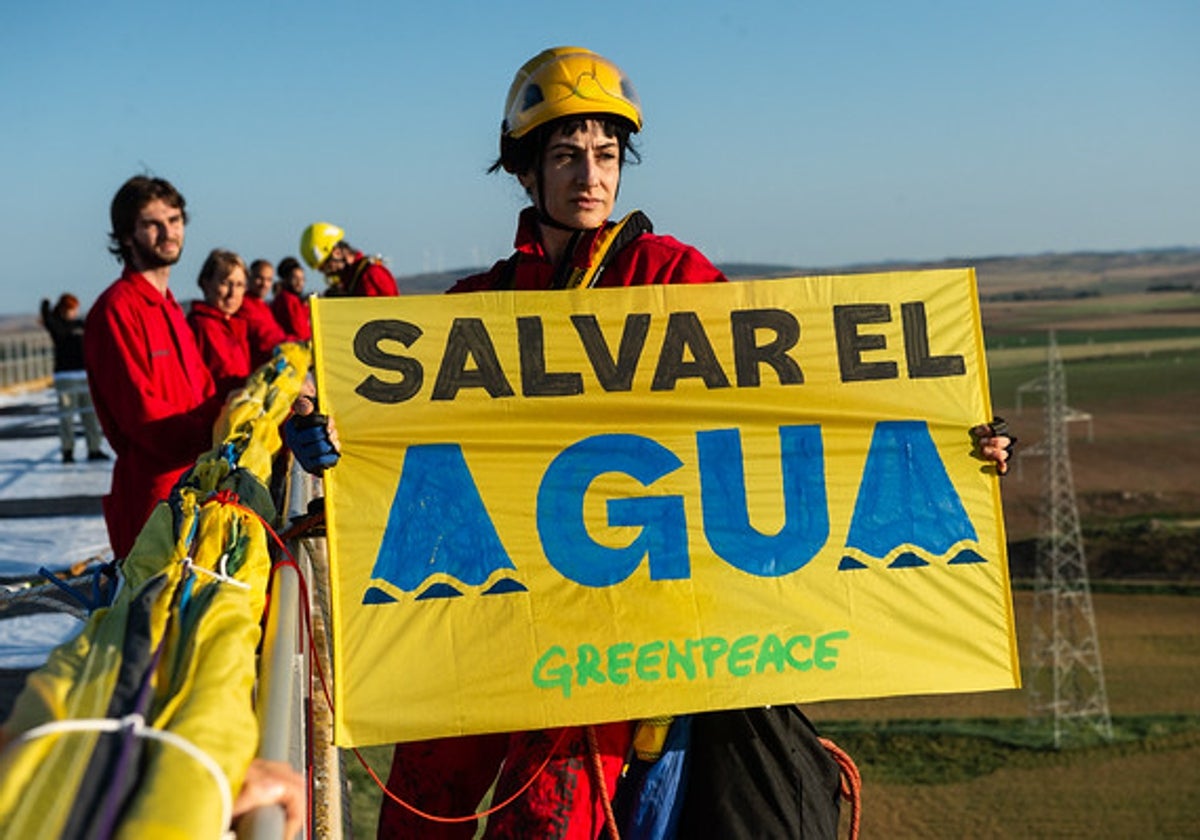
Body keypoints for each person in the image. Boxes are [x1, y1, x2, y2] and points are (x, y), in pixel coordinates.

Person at [288, 46, 1016, 840]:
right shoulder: (481, 304)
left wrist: (946, 437)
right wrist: (331, 435)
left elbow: (800, 389)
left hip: (618, 625)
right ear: (527, 171)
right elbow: (396, 424)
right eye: (566, 156)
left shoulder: (673, 276)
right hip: (486, 616)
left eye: (605, 156)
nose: (590, 178)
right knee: (417, 808)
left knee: (547, 822)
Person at [84, 175, 223, 561]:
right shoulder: (117, 310)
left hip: (195, 484)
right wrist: (216, 433)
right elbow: (143, 419)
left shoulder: (169, 307)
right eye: (153, 223)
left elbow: (204, 392)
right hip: (154, 504)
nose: (169, 232)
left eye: (175, 220)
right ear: (127, 236)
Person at [39, 294, 107, 463]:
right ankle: (67, 450)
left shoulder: (81, 325)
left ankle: (94, 448)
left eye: (75, 309)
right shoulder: (59, 326)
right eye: (70, 309)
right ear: (63, 310)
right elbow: (49, 322)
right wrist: (46, 307)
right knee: (67, 415)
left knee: (90, 415)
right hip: (66, 376)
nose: (73, 313)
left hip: (85, 374)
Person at [188, 249, 254, 400]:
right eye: (225, 283)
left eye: (239, 285)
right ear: (205, 284)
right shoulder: (201, 325)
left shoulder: (238, 326)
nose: (232, 293)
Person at [298, 221, 400, 297]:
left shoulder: (373, 274)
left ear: (337, 253)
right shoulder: (348, 282)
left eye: (325, 267)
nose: (325, 273)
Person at [236, 258, 290, 368]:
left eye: (269, 280)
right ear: (248, 279)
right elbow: (264, 337)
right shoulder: (244, 304)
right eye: (259, 278)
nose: (264, 284)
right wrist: (294, 343)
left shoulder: (263, 306)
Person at [271, 256, 312, 342]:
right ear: (286, 279)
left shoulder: (290, 300)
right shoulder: (288, 300)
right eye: (295, 278)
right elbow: (301, 331)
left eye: (302, 279)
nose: (299, 283)